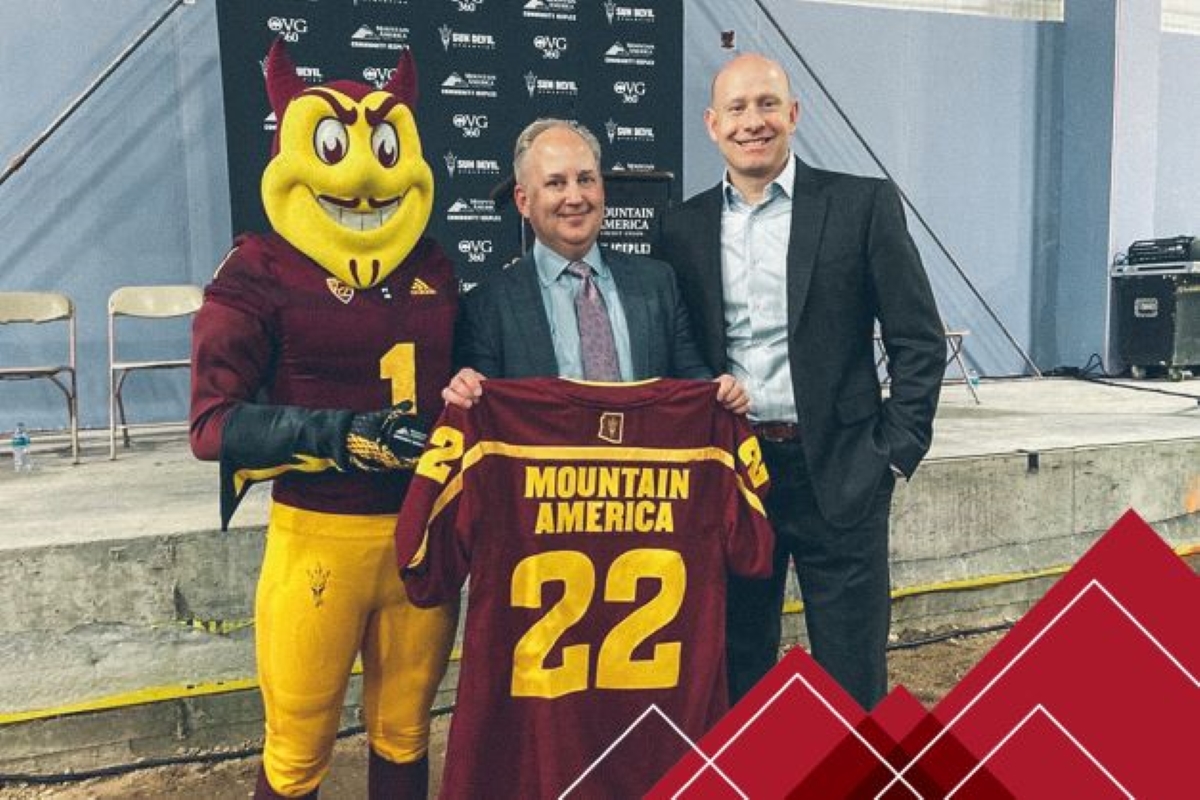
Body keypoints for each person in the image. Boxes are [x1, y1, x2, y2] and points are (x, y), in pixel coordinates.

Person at [190, 42, 457, 799]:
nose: (366, 177)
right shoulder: (257, 271)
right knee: (298, 749)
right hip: (318, 543)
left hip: (419, 537)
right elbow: (212, 425)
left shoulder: (431, 264)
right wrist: (342, 437)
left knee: (406, 732)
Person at [659, 53, 946, 710]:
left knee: (853, 681)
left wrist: (894, 453)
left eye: (766, 105)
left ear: (792, 115)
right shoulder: (682, 229)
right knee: (735, 675)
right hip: (736, 478)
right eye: (737, 108)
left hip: (842, 475)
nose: (752, 122)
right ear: (712, 124)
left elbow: (918, 341)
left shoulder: (860, 205)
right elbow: (676, 355)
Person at [441, 118, 748, 413]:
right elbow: (482, 407)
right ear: (523, 201)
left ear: (602, 188)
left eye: (586, 179)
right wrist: (467, 390)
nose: (574, 197)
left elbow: (691, 379)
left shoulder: (658, 284)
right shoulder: (488, 305)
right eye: (556, 183)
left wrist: (716, 391)